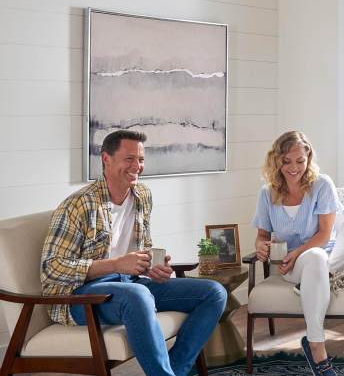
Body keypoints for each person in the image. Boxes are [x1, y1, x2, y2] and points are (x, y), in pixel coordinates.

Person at [40, 130, 227, 376]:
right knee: (137, 295)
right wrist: (116, 264)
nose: (137, 166)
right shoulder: (79, 205)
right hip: (81, 296)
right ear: (106, 159)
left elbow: (142, 246)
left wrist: (150, 266)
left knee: (214, 293)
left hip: (130, 284)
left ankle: (174, 371)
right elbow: (51, 267)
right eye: (129, 159)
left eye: (140, 159)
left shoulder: (142, 195)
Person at [251, 130, 344, 376]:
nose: (293, 168)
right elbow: (262, 235)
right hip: (291, 266)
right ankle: (317, 348)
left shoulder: (321, 185)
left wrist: (299, 251)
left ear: (308, 158)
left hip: (326, 254)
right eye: (286, 161)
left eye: (300, 160)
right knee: (316, 258)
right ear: (276, 160)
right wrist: (260, 245)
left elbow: (325, 234)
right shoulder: (267, 193)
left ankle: (324, 276)